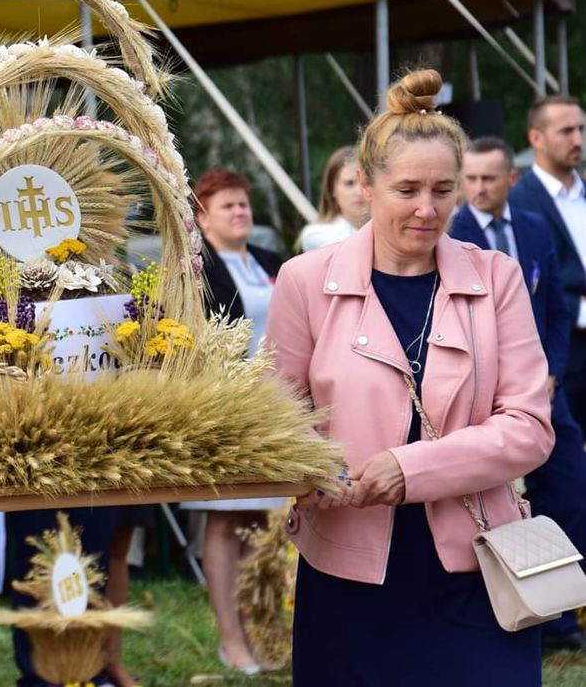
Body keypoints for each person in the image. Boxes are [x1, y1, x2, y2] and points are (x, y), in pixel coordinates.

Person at [266, 69, 554, 686]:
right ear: (365, 186)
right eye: (408, 189)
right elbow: (275, 420)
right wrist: (317, 473)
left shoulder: (496, 276)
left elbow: (529, 428)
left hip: (480, 570)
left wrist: (409, 469)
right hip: (348, 573)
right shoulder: (303, 281)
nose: (428, 209)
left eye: (443, 190)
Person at [451, 135, 586, 651]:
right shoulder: (452, 232)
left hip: (546, 391)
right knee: (487, 507)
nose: (478, 189)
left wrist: (550, 372)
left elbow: (554, 308)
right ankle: (494, 615)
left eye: (489, 178)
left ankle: (558, 618)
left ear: (512, 179)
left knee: (570, 494)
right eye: (471, 179)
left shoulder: (532, 227)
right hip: (479, 397)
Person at [185, 168, 285, 675]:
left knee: (263, 523)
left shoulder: (271, 262)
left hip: (274, 407)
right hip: (223, 406)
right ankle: (231, 638)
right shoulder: (194, 268)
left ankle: (265, 629)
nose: (240, 212)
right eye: (227, 206)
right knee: (225, 518)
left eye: (244, 204)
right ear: (202, 217)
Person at [510, 97, 586, 432]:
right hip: (561, 359)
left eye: (582, 129)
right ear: (536, 138)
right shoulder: (518, 202)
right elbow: (524, 286)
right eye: (566, 131)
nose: (578, 140)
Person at [296, 146, 369, 252]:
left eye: (366, 183)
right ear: (332, 189)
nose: (359, 192)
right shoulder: (315, 234)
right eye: (349, 183)